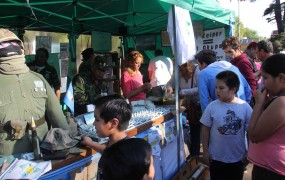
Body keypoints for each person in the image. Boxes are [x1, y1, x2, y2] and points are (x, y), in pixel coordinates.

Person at [0, 28, 70, 156]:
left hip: (42, 146)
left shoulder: (38, 78)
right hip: (8, 153)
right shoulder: (38, 77)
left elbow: (56, 115)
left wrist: (66, 142)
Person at [200, 70, 252, 180]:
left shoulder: (245, 107)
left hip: (237, 158)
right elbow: (205, 129)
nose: (217, 91)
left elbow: (250, 131)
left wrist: (250, 152)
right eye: (216, 87)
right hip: (216, 158)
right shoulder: (212, 107)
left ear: (233, 89)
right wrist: (205, 152)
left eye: (221, 88)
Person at [248, 53, 285, 179]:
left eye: (265, 78)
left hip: (271, 172)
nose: (263, 83)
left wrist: (258, 104)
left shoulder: (282, 102)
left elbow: (253, 135)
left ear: (281, 78)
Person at [80, 95, 132, 179]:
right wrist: (90, 143)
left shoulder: (120, 162)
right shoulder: (116, 146)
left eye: (97, 120)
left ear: (114, 123)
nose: (94, 124)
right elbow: (107, 151)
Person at [166, 60, 201, 156]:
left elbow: (200, 89)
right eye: (178, 68)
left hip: (198, 105)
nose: (180, 70)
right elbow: (170, 83)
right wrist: (169, 87)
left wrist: (183, 92)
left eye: (182, 68)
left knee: (198, 130)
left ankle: (198, 153)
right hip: (188, 105)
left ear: (188, 66)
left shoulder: (197, 71)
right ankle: (193, 153)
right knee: (192, 130)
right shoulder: (178, 73)